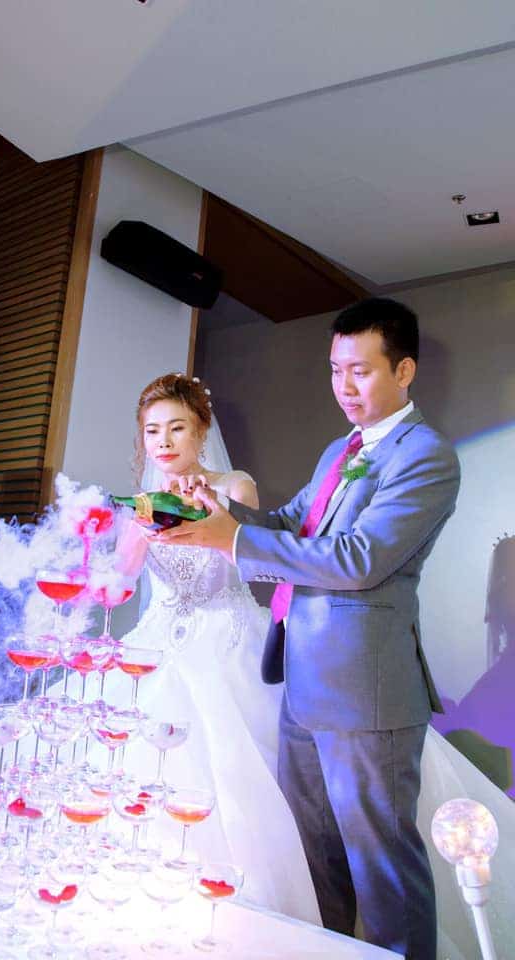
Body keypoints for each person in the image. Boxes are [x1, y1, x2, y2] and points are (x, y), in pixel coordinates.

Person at [155, 298, 458, 960]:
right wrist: (219, 509)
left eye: (360, 371)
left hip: (365, 692)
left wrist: (233, 541)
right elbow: (294, 523)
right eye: (334, 370)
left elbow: (359, 559)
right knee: (316, 852)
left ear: (404, 371)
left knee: (382, 864)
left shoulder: (426, 456)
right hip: (302, 678)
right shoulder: (339, 450)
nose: (343, 386)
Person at [115, 372, 321, 922]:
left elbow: (247, 563)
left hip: (225, 634)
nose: (163, 441)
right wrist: (134, 533)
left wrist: (206, 516)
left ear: (201, 432)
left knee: (237, 764)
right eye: (152, 430)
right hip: (157, 641)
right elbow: (118, 585)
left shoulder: (234, 486)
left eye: (176, 428)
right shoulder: (139, 502)